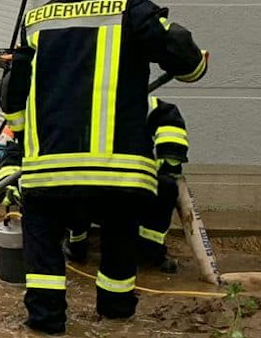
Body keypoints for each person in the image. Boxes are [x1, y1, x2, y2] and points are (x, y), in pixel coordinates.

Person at [0, 0, 206, 335]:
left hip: (50, 172)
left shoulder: (37, 21)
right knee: (117, 253)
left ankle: (45, 330)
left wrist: (22, 143)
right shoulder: (136, 11)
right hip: (121, 174)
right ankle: (114, 325)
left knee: (43, 259)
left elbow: (13, 93)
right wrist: (184, 50)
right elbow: (187, 64)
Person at [62, 96, 192, 273]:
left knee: (166, 186)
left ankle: (147, 251)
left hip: (125, 187)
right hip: (95, 186)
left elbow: (168, 119)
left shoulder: (137, 99)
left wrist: (170, 160)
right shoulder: (72, 102)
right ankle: (76, 245)